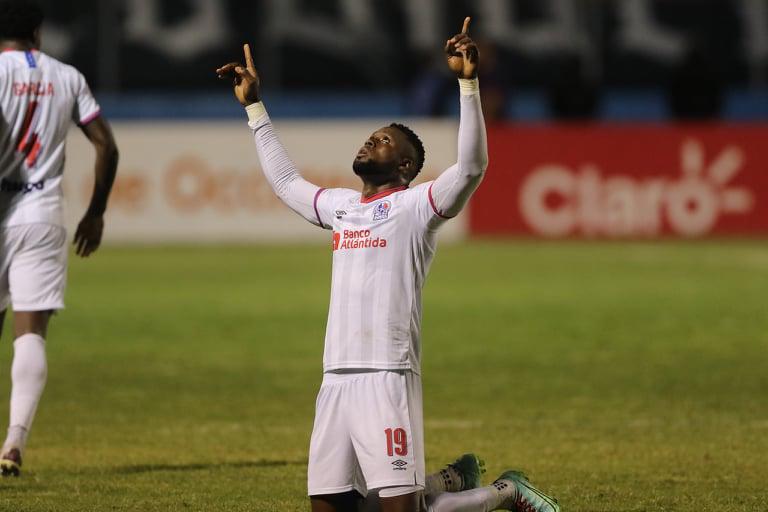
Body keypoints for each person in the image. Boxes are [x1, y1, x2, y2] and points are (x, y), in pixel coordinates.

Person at [217, 17, 559, 512]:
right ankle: (448, 480)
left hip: (386, 374)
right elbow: (287, 183)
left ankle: (506, 492)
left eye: (382, 141)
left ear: (404, 165)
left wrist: (468, 85)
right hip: (334, 377)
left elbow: (471, 168)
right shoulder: (342, 207)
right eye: (369, 137)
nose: (368, 142)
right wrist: (255, 109)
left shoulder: (416, 207)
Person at [0, 0, 119, 476]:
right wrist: (96, 213)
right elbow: (106, 145)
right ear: (37, 31)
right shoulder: (67, 76)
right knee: (30, 333)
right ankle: (13, 442)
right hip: (42, 213)